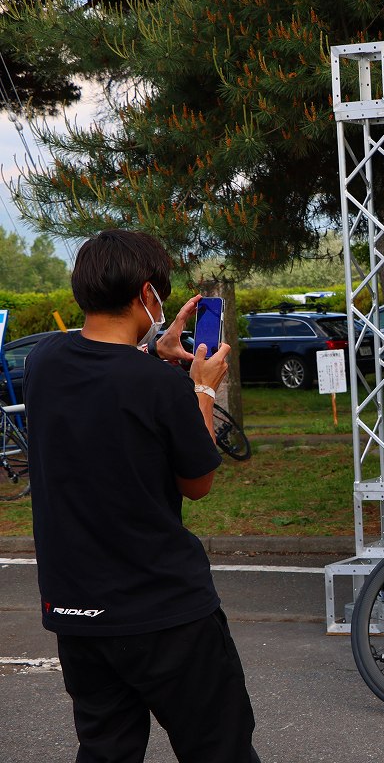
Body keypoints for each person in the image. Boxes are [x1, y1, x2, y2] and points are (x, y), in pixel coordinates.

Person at [24, 229, 259, 762]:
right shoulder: (162, 388)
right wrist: (200, 388)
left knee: (106, 749)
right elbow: (197, 482)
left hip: (74, 608)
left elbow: (105, 367)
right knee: (219, 748)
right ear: (147, 294)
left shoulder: (45, 362)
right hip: (164, 610)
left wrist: (156, 349)